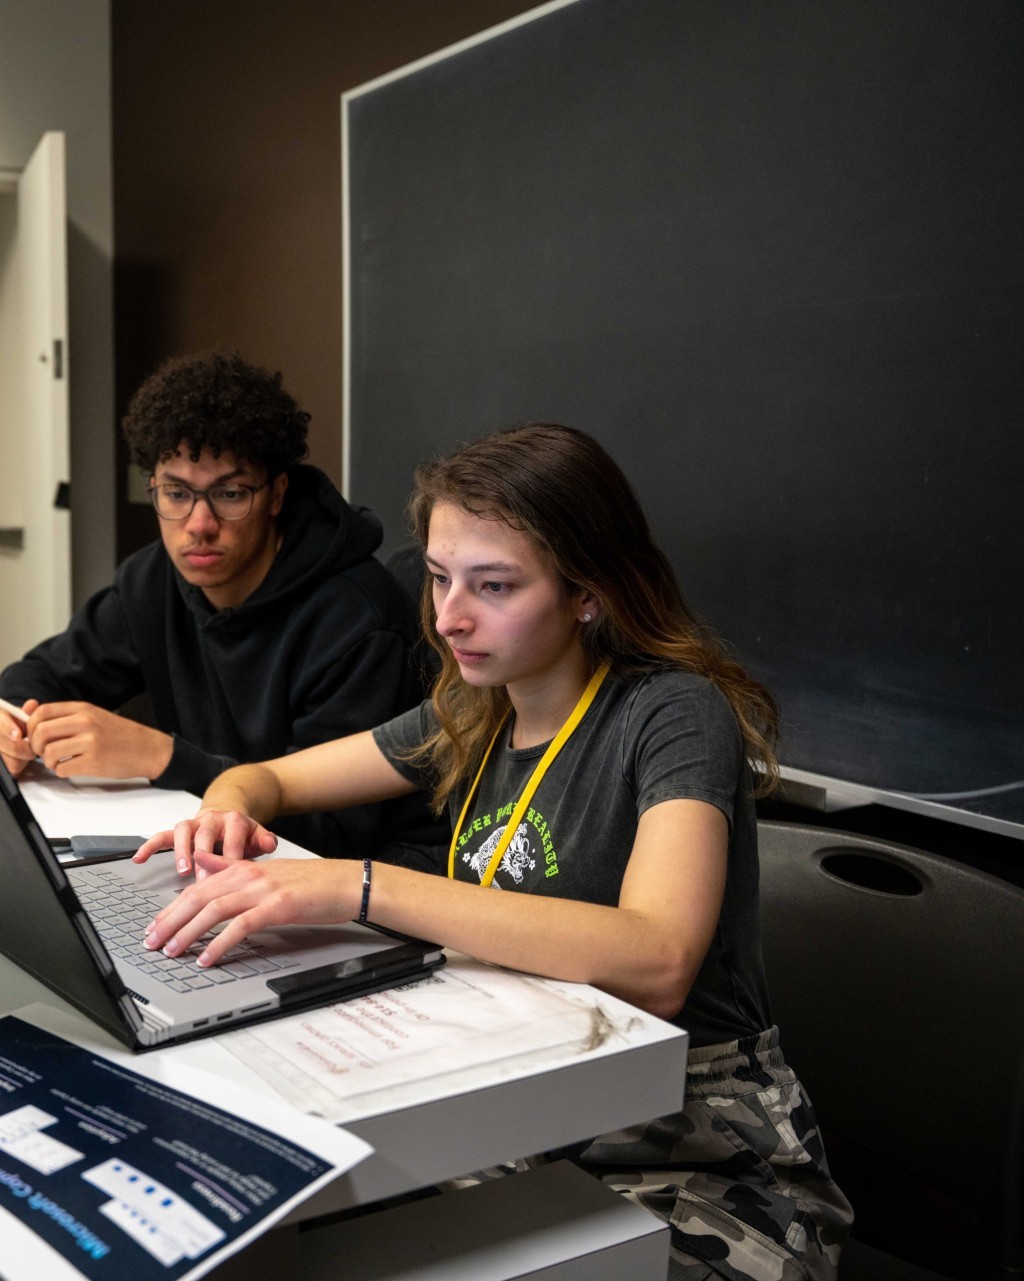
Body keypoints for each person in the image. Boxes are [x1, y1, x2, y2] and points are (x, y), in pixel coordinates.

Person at [131, 423, 851, 1280]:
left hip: (693, 1144)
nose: (447, 616)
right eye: (438, 578)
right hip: (531, 1106)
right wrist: (227, 809)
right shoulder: (473, 707)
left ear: (587, 593)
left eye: (493, 585)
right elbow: (265, 781)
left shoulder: (670, 714)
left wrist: (365, 886)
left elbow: (657, 956)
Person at [0, 350, 439, 862]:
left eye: (228, 493)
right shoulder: (153, 577)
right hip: (215, 857)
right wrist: (10, 722)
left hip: (353, 886)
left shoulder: (358, 619)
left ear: (276, 494)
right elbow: (44, 671)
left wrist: (164, 758)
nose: (199, 523)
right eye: (176, 494)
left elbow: (329, 833)